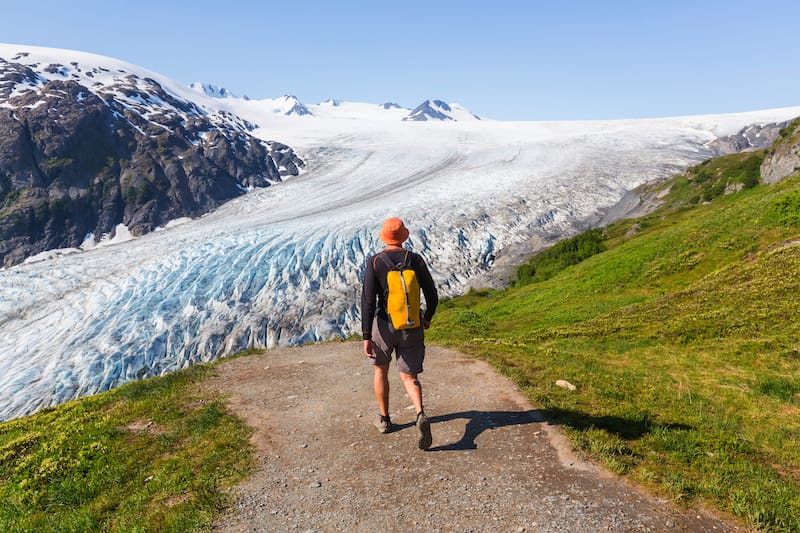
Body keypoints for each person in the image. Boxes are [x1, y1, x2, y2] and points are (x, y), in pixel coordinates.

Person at [361, 217, 438, 450]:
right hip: (412, 325)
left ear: (384, 237)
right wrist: (427, 318)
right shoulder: (415, 260)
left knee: (380, 370)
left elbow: (367, 301)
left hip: (384, 326)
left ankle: (384, 420)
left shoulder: (375, 262)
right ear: (404, 237)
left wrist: (366, 335)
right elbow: (432, 294)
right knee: (409, 376)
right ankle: (420, 413)